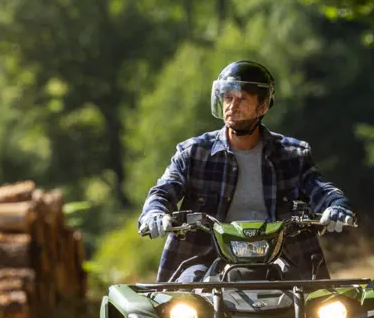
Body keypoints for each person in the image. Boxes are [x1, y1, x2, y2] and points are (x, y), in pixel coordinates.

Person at [138, 60, 354, 283]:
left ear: (262, 106)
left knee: (320, 310)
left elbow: (320, 188)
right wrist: (155, 212)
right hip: (204, 257)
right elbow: (164, 190)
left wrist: (336, 205)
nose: (232, 106)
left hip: (283, 259)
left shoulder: (293, 154)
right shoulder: (194, 153)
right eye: (228, 98)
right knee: (180, 300)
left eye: (242, 99)